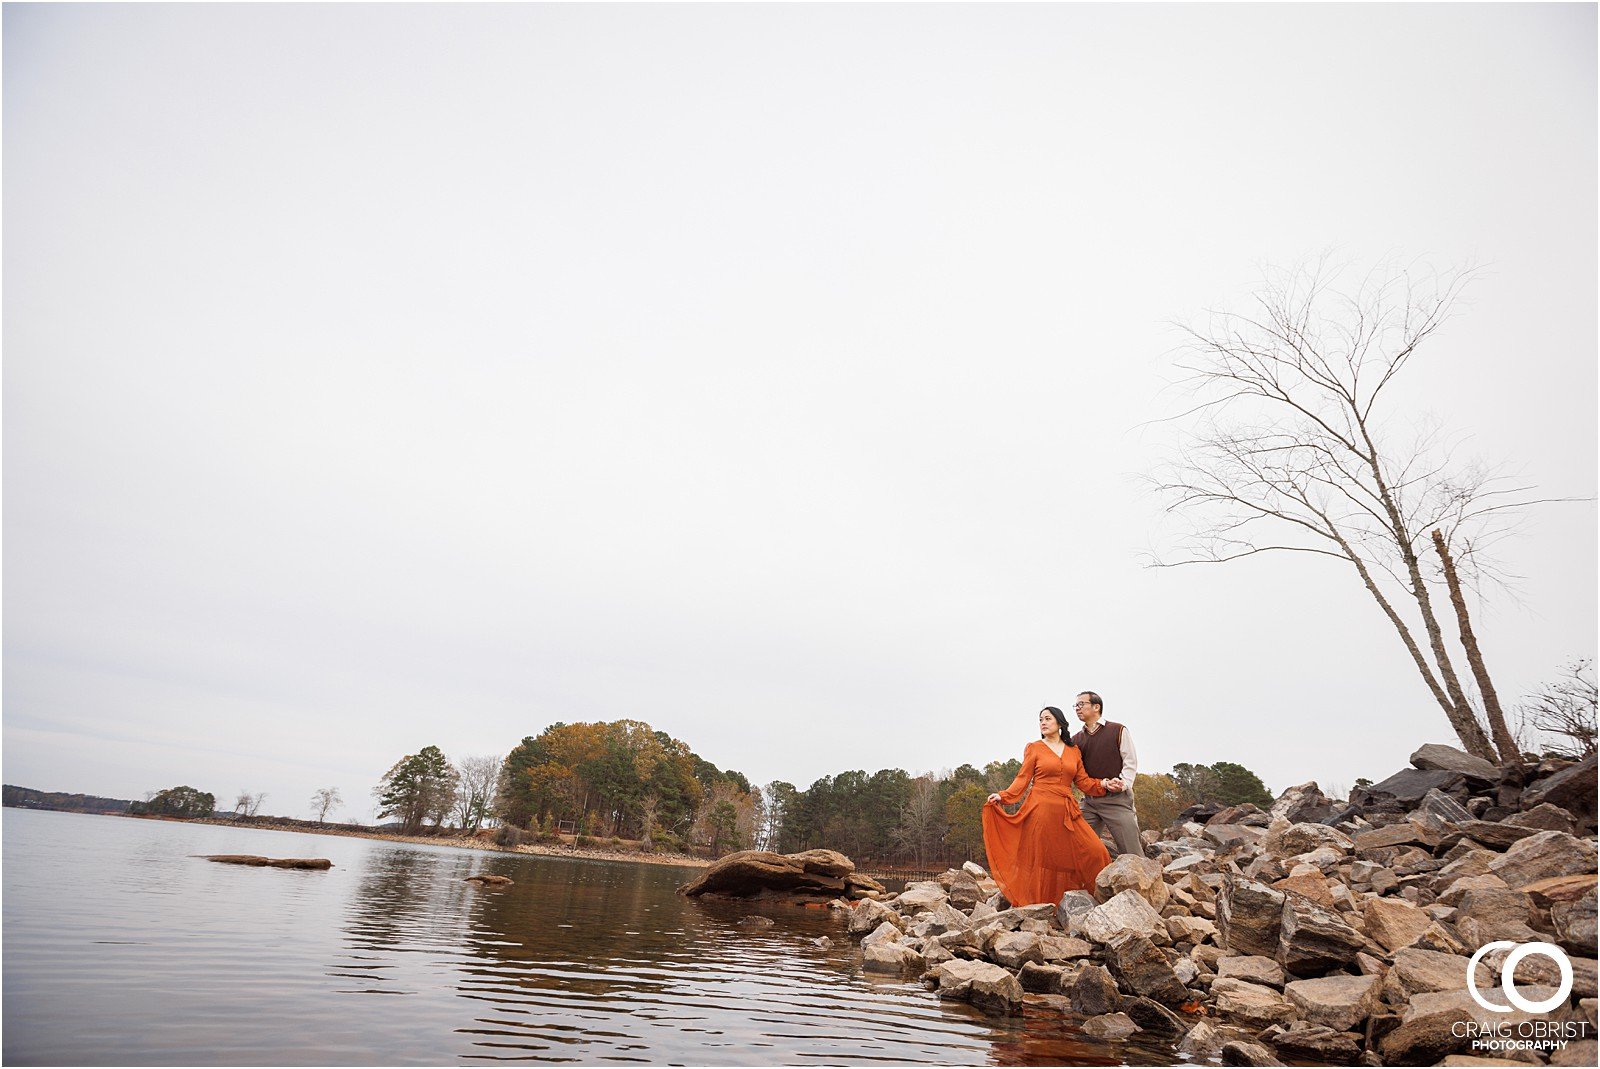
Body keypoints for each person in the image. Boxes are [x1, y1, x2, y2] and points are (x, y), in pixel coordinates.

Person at [981, 706, 1115, 906]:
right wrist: (1003, 796)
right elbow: (1023, 778)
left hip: (1067, 811)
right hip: (1040, 808)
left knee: (1096, 851)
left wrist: (1104, 784)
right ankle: (1037, 906)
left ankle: (1097, 899)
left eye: (1047, 719)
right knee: (1042, 859)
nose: (1043, 723)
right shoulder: (1034, 748)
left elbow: (1083, 782)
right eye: (1041, 719)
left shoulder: (1073, 750)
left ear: (1060, 723)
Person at [1070, 690, 1144, 857]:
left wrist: (1123, 783)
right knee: (1076, 844)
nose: (1077, 708)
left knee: (1132, 853)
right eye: (1076, 705)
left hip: (1117, 799)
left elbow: (1130, 761)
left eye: (1082, 704)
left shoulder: (1118, 730)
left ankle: (1145, 880)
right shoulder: (1076, 740)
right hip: (1089, 802)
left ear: (1096, 707)